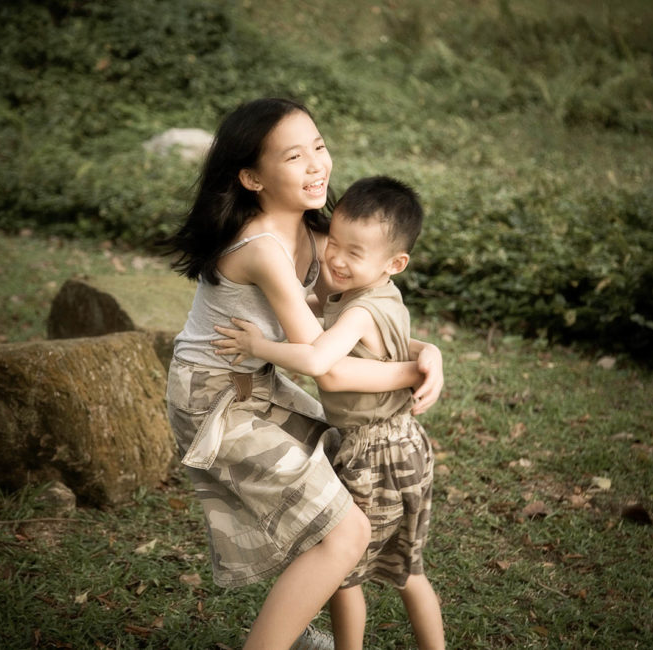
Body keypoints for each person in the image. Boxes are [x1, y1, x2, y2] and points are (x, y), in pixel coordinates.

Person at [161, 98, 444, 650]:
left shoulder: (319, 239)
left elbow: (359, 321)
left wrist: (424, 347)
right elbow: (329, 370)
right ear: (251, 177)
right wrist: (411, 371)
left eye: (318, 146)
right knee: (347, 531)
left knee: (341, 498)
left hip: (260, 382)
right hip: (213, 400)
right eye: (294, 156)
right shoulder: (263, 248)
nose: (317, 164)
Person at [214, 176, 445, 649]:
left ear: (395, 263)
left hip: (378, 452)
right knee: (407, 571)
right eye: (334, 243)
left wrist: (260, 345)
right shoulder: (371, 297)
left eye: (354, 252)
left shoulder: (362, 311)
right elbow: (313, 306)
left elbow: (320, 361)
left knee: (346, 571)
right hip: (400, 443)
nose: (336, 259)